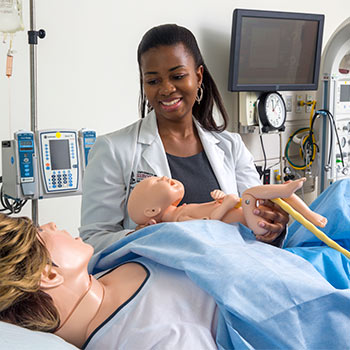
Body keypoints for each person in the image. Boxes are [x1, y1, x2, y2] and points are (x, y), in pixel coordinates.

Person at [80, 23, 289, 253]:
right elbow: (93, 240)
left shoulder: (231, 146)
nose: (167, 89)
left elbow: (257, 217)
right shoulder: (113, 150)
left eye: (177, 76)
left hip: (230, 272)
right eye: (153, 81)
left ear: (198, 76)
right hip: (161, 282)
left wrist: (272, 228)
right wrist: (140, 237)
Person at [0, 213, 218, 349]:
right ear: (49, 275)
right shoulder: (152, 339)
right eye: (40, 232)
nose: (51, 224)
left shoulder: (100, 275)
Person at [127, 176, 327, 236]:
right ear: (152, 211)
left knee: (273, 194)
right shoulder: (177, 220)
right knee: (252, 193)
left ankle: (309, 214)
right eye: (154, 182)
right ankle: (286, 193)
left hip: (256, 220)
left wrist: (220, 199)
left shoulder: (182, 209)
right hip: (250, 226)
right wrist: (227, 204)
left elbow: (209, 213)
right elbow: (208, 224)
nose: (161, 177)